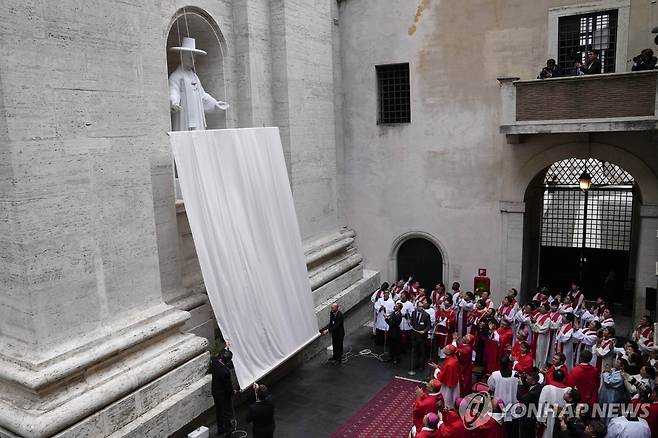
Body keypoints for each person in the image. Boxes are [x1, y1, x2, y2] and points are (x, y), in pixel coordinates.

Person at [168, 37, 229, 131]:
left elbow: (202, 95)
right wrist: (174, 102)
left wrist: (215, 104)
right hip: (185, 118)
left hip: (197, 118)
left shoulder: (194, 77)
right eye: (189, 56)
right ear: (182, 56)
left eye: (194, 57)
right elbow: (173, 90)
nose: (192, 59)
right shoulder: (176, 76)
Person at [210, 348, 236, 437]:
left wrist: (226, 348)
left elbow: (217, 356)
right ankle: (228, 432)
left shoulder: (214, 362)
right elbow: (228, 387)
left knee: (218, 411)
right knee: (226, 413)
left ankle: (220, 429)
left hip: (215, 392)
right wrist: (233, 392)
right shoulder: (225, 372)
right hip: (223, 395)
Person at [537, 371, 571, 438]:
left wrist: (541, 419)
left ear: (552, 377)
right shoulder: (569, 390)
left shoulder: (547, 388)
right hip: (563, 419)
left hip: (549, 417)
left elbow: (541, 403)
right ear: (564, 379)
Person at [437, 344, 460, 409]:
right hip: (453, 381)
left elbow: (442, 375)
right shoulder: (454, 358)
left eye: (446, 348)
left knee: (447, 399)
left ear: (449, 352)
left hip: (447, 385)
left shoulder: (449, 364)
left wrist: (437, 370)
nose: (444, 348)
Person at [411, 301, 431, 370]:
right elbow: (412, 322)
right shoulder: (413, 313)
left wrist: (424, 331)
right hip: (414, 335)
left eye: (422, 306)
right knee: (415, 351)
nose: (421, 308)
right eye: (420, 306)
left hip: (422, 336)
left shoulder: (426, 315)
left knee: (422, 351)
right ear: (417, 307)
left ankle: (421, 366)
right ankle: (415, 364)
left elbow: (429, 326)